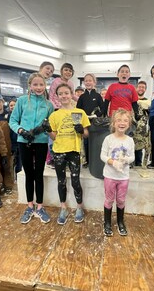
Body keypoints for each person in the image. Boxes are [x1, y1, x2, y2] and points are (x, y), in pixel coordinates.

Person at [9, 73, 54, 224]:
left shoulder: (49, 105)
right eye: (35, 84)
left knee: (38, 174)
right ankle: (29, 206)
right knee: (29, 174)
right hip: (24, 141)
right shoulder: (22, 101)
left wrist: (47, 128)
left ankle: (40, 207)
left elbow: (51, 126)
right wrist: (21, 130)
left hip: (40, 142)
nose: (39, 87)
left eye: (41, 85)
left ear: (45, 86)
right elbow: (13, 121)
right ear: (30, 85)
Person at [47, 83, 91, 225]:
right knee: (61, 181)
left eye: (66, 93)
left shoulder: (80, 113)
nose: (64, 96)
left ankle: (79, 207)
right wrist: (47, 129)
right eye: (61, 94)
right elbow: (54, 137)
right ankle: (63, 208)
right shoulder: (54, 115)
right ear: (57, 97)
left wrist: (81, 130)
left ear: (71, 94)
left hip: (74, 150)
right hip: (59, 151)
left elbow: (86, 135)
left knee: (76, 180)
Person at [100, 109, 135, 236]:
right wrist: (112, 162)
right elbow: (102, 156)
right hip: (110, 176)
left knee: (121, 200)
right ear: (113, 123)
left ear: (129, 124)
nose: (122, 123)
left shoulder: (130, 140)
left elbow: (132, 157)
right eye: (119, 120)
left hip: (123, 177)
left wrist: (126, 160)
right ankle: (107, 223)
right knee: (109, 199)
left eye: (125, 120)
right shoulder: (108, 139)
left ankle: (120, 222)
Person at [76, 73, 104, 167]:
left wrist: (96, 115)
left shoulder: (98, 96)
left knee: (95, 141)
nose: (88, 82)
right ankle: (86, 161)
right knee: (86, 142)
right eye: (86, 81)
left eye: (90, 80)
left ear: (94, 82)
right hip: (84, 123)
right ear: (84, 82)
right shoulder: (82, 97)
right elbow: (77, 109)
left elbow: (103, 108)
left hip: (95, 123)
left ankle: (94, 160)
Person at [133, 81, 151, 167]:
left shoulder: (148, 101)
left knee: (139, 149)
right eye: (139, 87)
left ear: (145, 89)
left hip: (142, 128)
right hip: (132, 127)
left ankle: (138, 166)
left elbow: (150, 116)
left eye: (143, 87)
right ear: (136, 88)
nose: (141, 88)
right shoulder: (133, 100)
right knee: (130, 147)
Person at [8, 98, 22, 180]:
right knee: (12, 164)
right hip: (12, 144)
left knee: (20, 164)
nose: (13, 107)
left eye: (14, 105)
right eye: (11, 105)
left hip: (21, 143)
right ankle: (13, 180)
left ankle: (19, 180)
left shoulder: (22, 116)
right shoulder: (8, 117)